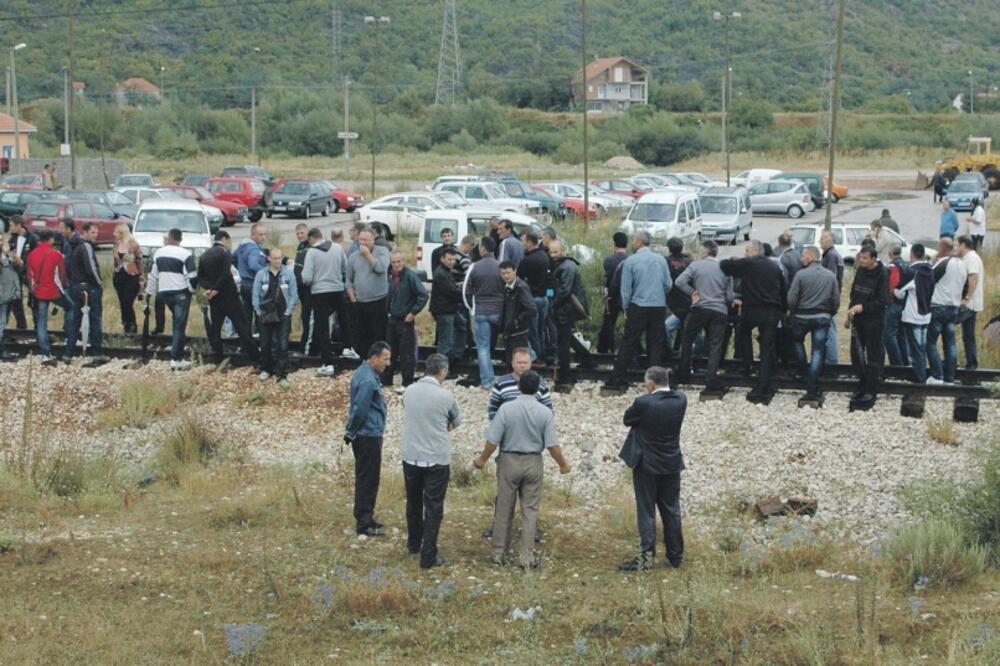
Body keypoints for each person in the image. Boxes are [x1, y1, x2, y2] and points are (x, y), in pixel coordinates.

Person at [473, 370, 570, 568]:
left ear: (518, 386)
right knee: (530, 510)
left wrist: (482, 460)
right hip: (533, 461)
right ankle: (526, 557)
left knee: (504, 507)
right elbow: (552, 445)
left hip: (508, 460)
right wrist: (563, 465)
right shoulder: (545, 413)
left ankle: (499, 553)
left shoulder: (506, 409)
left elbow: (493, 440)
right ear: (538, 389)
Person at [617, 366, 686, 572]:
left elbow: (627, 419)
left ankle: (645, 558)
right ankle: (675, 555)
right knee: (671, 509)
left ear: (651, 384)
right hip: (672, 462)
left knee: (646, 511)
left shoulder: (644, 402)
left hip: (647, 463)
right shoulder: (681, 399)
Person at [400, 353, 462, 569]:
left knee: (413, 501)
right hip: (436, 457)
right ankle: (428, 554)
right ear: (442, 371)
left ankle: (413, 543)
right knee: (434, 506)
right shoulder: (445, 396)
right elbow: (457, 420)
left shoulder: (409, 391)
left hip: (411, 454)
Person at [721, 240, 786, 403]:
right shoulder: (774, 266)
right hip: (772, 310)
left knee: (743, 333)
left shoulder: (749, 263)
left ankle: (747, 364)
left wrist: (735, 259)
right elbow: (783, 288)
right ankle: (764, 383)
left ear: (755, 251)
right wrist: (784, 309)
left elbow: (724, 265)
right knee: (766, 346)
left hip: (752, 309)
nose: (745, 253)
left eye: (747, 250)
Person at [605, 231, 671, 391]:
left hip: (638, 305)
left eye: (635, 240)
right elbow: (668, 284)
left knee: (629, 342)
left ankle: (617, 378)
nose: (633, 243)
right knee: (655, 344)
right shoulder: (660, 260)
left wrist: (626, 308)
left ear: (639, 242)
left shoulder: (631, 261)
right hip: (658, 306)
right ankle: (655, 381)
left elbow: (626, 289)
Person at [673, 240, 733, 392]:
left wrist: (692, 292)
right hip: (719, 310)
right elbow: (730, 295)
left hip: (700, 308)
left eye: (701, 250)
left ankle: (684, 372)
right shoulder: (724, 268)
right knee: (715, 346)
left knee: (687, 339)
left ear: (705, 252)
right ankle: (710, 379)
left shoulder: (696, 265)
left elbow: (679, 282)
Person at [345, 341, 392, 537]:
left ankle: (366, 516)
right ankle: (364, 522)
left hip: (368, 433)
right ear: (374, 358)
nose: (388, 363)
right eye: (385, 358)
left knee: (369, 477)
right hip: (367, 435)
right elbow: (359, 409)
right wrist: (351, 431)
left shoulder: (367, 374)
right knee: (368, 479)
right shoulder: (367, 380)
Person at [787, 246, 840, 404]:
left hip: (802, 316)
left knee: (797, 341)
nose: (801, 258)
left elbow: (792, 297)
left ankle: (804, 371)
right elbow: (835, 299)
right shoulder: (830, 275)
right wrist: (830, 313)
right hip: (822, 317)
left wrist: (793, 311)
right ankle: (813, 381)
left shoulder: (801, 275)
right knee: (817, 350)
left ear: (811, 257)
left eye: (803, 256)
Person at [198, 231, 259, 365]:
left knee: (216, 329)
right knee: (242, 326)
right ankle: (255, 357)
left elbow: (200, 277)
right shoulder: (225, 253)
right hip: (229, 296)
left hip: (214, 299)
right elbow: (226, 274)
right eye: (230, 242)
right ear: (225, 239)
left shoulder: (204, 255)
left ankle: (218, 357)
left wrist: (210, 289)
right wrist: (216, 289)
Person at [145, 228, 197, 371]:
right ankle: (176, 358)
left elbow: (152, 276)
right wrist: (192, 291)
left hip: (164, 293)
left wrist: (149, 293)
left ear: (169, 238)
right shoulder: (185, 254)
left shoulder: (158, 253)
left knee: (176, 322)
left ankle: (178, 350)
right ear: (180, 239)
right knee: (179, 325)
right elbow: (192, 276)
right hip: (180, 293)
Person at [302, 227, 349, 378]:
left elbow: (307, 277)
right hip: (337, 289)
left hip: (320, 293)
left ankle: (328, 362)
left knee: (322, 327)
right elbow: (345, 268)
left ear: (311, 239)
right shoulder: (337, 248)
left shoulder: (312, 252)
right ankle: (347, 348)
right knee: (344, 320)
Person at [26, 229, 75, 365]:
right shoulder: (55, 254)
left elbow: (30, 276)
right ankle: (69, 340)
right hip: (54, 290)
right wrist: (65, 288)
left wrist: (34, 289)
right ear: (51, 239)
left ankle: (45, 354)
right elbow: (61, 276)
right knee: (70, 308)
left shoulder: (32, 254)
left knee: (42, 321)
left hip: (39, 292)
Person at [846, 246, 887, 406]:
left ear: (873, 259)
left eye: (864, 258)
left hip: (874, 321)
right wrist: (849, 316)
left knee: (873, 356)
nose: (861, 261)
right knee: (856, 354)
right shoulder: (861, 271)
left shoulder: (882, 274)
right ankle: (861, 385)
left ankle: (870, 390)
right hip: (858, 319)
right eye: (860, 257)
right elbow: (854, 294)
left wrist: (863, 307)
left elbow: (882, 301)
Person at [252, 247, 298, 388]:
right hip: (266, 314)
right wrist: (259, 312)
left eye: (279, 258)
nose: (278, 261)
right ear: (269, 259)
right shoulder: (261, 274)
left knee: (282, 345)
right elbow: (255, 294)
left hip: (283, 313)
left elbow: (293, 294)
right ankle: (267, 369)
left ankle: (281, 373)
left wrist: (288, 311)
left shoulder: (288, 274)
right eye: (275, 258)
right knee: (265, 344)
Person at [461, 237, 504, 389]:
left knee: (483, 347)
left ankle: (487, 381)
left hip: (480, 311)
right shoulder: (501, 266)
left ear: (483, 249)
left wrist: (471, 308)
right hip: (498, 312)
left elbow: (466, 290)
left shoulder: (474, 266)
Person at [550, 240, 591, 389]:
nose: (553, 255)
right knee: (567, 337)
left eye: (556, 252)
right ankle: (587, 360)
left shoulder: (566, 267)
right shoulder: (564, 265)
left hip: (566, 309)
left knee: (563, 343)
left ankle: (564, 376)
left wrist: (552, 304)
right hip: (566, 307)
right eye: (551, 252)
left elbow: (564, 291)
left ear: (563, 251)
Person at [384, 250, 428, 390]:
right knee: (390, 350)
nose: (396, 265)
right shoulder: (393, 276)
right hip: (393, 318)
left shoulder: (410, 276)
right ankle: (386, 379)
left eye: (398, 262)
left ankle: (407, 382)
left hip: (405, 320)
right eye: (393, 262)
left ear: (404, 261)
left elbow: (423, 295)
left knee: (406, 353)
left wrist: (413, 312)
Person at [926, 237, 968, 385]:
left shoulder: (943, 263)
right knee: (950, 344)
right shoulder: (962, 265)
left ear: (942, 249)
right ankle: (949, 378)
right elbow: (965, 287)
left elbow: (928, 280)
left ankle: (937, 376)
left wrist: (932, 261)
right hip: (953, 310)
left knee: (930, 342)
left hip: (938, 308)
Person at [346, 228, 391, 362]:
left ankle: (381, 361)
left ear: (373, 240)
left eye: (366, 240)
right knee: (362, 335)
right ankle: (365, 360)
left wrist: (367, 255)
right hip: (360, 302)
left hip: (379, 300)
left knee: (379, 334)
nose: (363, 243)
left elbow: (381, 268)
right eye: (360, 240)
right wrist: (353, 299)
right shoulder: (353, 256)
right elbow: (348, 280)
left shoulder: (382, 251)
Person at [894, 244, 934, 384]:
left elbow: (898, 292)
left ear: (912, 254)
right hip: (926, 314)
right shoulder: (930, 270)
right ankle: (921, 376)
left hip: (912, 314)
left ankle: (920, 380)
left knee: (915, 349)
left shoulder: (911, 272)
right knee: (921, 348)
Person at [66, 222, 105, 359]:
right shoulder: (86, 246)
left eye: (96, 232)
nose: (96, 235)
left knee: (75, 320)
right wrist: (100, 283)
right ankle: (97, 352)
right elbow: (91, 268)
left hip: (75, 286)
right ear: (85, 232)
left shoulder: (74, 245)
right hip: (88, 287)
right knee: (95, 319)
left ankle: (68, 353)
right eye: (93, 232)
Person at [487, 347, 553, 420]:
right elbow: (493, 409)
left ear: (530, 364)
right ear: (512, 363)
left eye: (525, 363)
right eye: (519, 362)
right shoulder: (501, 382)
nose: (522, 366)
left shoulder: (540, 383)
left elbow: (549, 411)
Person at [517, 232, 550, 363]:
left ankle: (537, 356)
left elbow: (519, 278)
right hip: (544, 299)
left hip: (532, 299)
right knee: (542, 329)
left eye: (524, 241)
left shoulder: (527, 260)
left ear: (530, 243)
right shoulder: (545, 256)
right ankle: (543, 353)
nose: (522, 244)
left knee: (533, 330)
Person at [431, 248, 467, 368]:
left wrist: (457, 285)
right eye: (449, 259)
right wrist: (463, 291)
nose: (452, 262)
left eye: (453, 259)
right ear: (442, 259)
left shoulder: (446, 271)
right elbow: (451, 292)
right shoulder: (441, 273)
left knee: (461, 326)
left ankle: (455, 357)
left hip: (449, 308)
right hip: (444, 310)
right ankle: (441, 369)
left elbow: (450, 288)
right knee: (445, 341)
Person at [499, 260, 536, 366]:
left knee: (518, 363)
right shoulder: (507, 287)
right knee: (510, 361)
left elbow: (532, 309)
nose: (506, 276)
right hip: (510, 331)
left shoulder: (520, 288)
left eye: (508, 273)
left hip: (518, 332)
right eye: (503, 273)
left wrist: (517, 320)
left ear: (515, 271)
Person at [597, 232, 629, 354]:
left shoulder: (608, 260)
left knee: (608, 322)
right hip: (627, 296)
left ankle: (604, 348)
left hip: (612, 296)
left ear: (614, 244)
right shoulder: (630, 259)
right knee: (631, 324)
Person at [233, 223, 268, 335]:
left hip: (243, 284)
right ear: (253, 235)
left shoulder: (241, 247)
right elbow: (253, 265)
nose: (263, 237)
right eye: (260, 234)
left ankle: (247, 343)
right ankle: (260, 341)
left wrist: (240, 269)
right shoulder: (254, 249)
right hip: (253, 284)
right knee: (259, 313)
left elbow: (232, 258)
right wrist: (266, 273)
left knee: (246, 314)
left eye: (264, 234)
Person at [110, 223, 144, 335]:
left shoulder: (133, 245)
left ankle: (133, 328)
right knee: (122, 303)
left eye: (116, 232)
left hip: (132, 277)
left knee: (127, 303)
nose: (114, 234)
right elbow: (115, 261)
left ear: (122, 233)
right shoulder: (116, 245)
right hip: (119, 277)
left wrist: (141, 277)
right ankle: (126, 327)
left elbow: (139, 261)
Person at [956, 235, 983, 371]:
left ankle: (952, 361)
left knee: (947, 325)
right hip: (972, 303)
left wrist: (966, 298)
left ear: (963, 245)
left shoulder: (970, 258)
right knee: (968, 336)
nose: (956, 247)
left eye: (957, 244)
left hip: (969, 304)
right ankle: (971, 366)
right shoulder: (971, 257)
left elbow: (973, 277)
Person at [6, 215, 37, 329]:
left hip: (29, 273)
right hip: (16, 272)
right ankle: (21, 327)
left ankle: (37, 327)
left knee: (33, 301)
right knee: (16, 300)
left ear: (19, 225)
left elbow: (36, 258)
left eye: (11, 226)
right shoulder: (12, 238)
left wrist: (22, 262)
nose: (10, 228)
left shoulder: (33, 238)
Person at [664, 237, 692, 357]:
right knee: (691, 331)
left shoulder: (665, 262)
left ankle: (668, 353)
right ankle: (691, 354)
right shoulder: (690, 262)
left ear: (669, 248)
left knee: (666, 327)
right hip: (690, 302)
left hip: (673, 303)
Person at [882, 243, 910, 367]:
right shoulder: (907, 265)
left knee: (888, 334)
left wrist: (889, 294)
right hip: (905, 304)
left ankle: (896, 363)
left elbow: (893, 283)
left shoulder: (892, 266)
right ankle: (906, 361)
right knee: (901, 335)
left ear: (891, 253)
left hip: (893, 304)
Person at [819, 230, 844, 364]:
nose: (819, 241)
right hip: (831, 299)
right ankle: (829, 358)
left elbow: (829, 279)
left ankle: (832, 360)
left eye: (822, 239)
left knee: (829, 329)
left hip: (828, 300)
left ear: (829, 240)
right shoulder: (831, 255)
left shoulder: (831, 256)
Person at [292, 223, 313, 354]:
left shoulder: (310, 247)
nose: (300, 236)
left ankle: (307, 348)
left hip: (308, 288)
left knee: (307, 317)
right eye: (298, 233)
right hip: (301, 288)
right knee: (304, 316)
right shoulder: (301, 247)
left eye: (302, 233)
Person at [0, 231, 21, 359]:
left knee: (2, 323)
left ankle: (2, 349)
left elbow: (17, 270)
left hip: (5, 296)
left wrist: (15, 260)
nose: (0, 243)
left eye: (2, 240)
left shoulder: (5, 256)